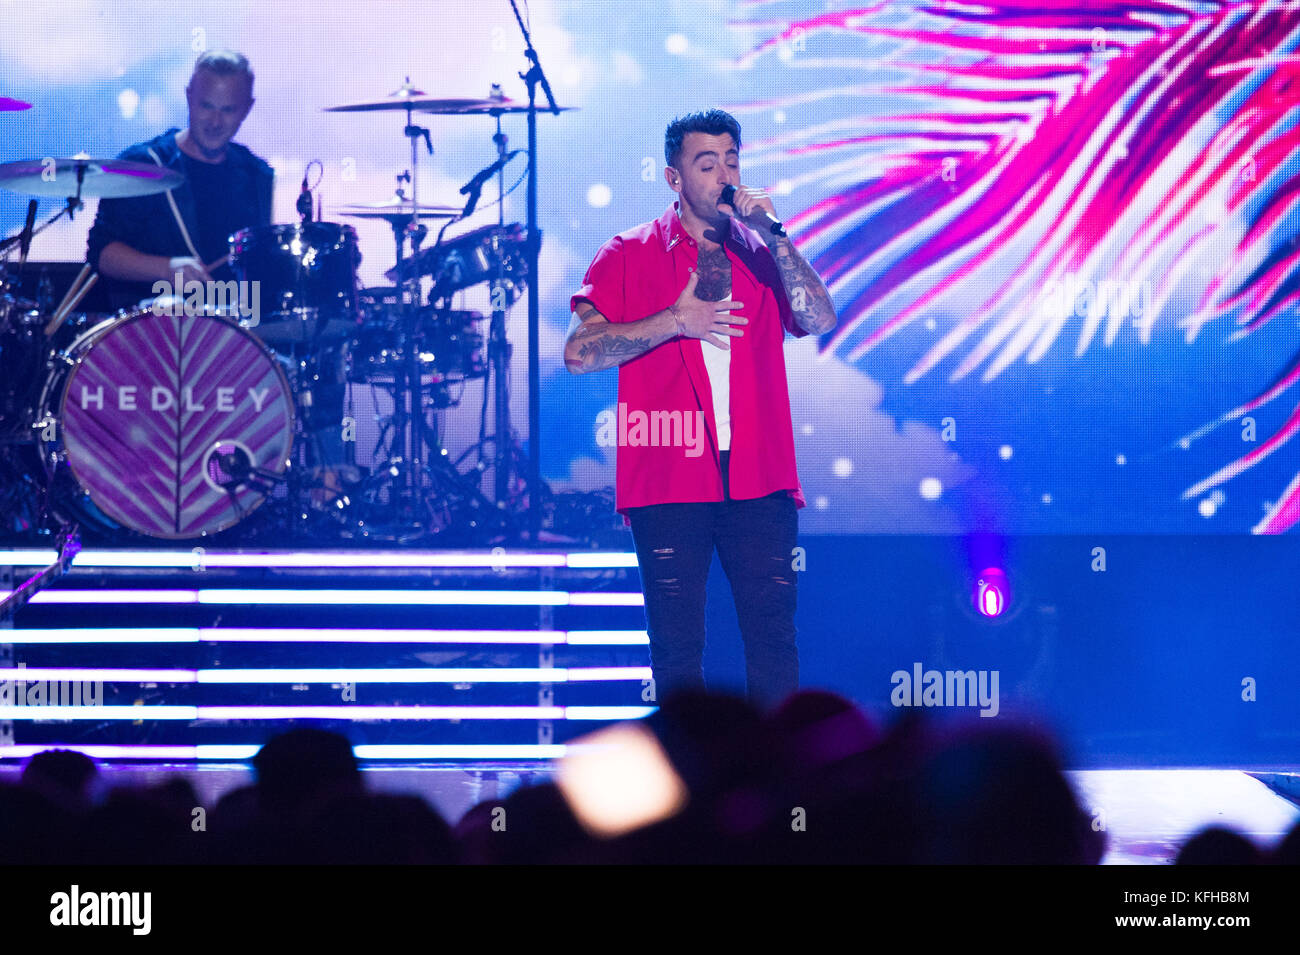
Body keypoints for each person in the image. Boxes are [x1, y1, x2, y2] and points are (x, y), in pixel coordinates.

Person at [565, 108, 837, 709]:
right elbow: (579, 355)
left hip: (758, 474)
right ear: (674, 177)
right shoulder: (628, 253)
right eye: (706, 164)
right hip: (668, 471)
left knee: (772, 637)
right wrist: (673, 322)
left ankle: (776, 787)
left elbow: (819, 319)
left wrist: (778, 236)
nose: (723, 177)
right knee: (678, 647)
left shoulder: (762, 253)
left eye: (732, 161)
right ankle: (690, 790)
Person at [86, 49, 272, 310]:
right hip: (152, 336)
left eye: (228, 110)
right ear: (189, 98)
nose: (215, 121)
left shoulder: (257, 174)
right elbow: (101, 255)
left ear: (247, 109)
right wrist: (167, 269)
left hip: (232, 337)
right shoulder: (143, 165)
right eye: (206, 106)